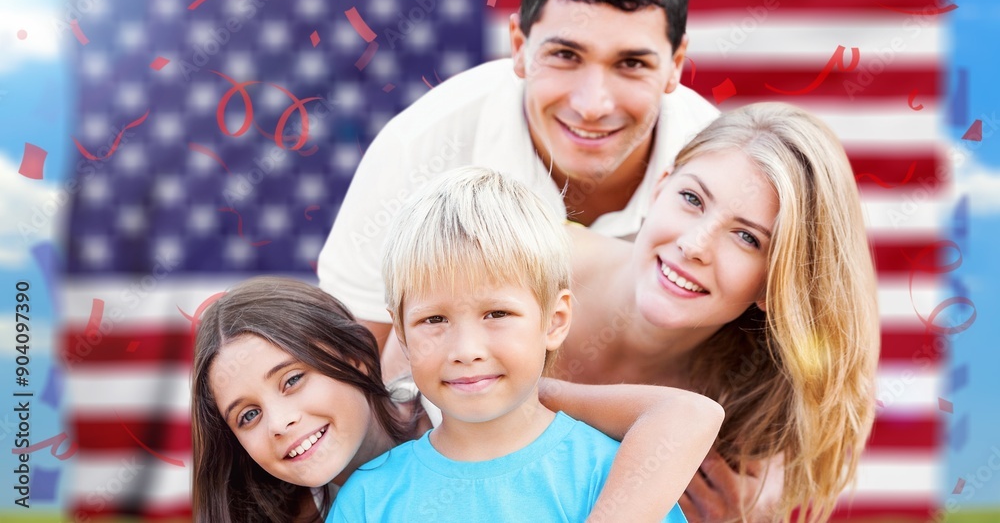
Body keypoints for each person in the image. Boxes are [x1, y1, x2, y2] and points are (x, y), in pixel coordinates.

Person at [316, 0, 718, 351]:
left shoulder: (722, 167)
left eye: (631, 63)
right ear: (519, 47)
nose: (592, 105)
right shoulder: (421, 147)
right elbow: (356, 357)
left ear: (675, 64)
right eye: (565, 55)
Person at [555, 103, 880, 523]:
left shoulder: (749, 423)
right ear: (658, 190)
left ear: (773, 284)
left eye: (747, 237)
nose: (694, 245)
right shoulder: (511, 267)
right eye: (691, 198)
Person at [328, 167, 710, 521]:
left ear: (555, 321)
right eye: (434, 320)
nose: (466, 350)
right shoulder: (369, 498)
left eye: (497, 314)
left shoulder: (612, 477)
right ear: (403, 336)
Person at [192, 275, 723, 523]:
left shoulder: (470, 395)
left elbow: (687, 412)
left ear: (356, 357)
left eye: (292, 380)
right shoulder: (325, 512)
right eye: (249, 415)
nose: (280, 422)